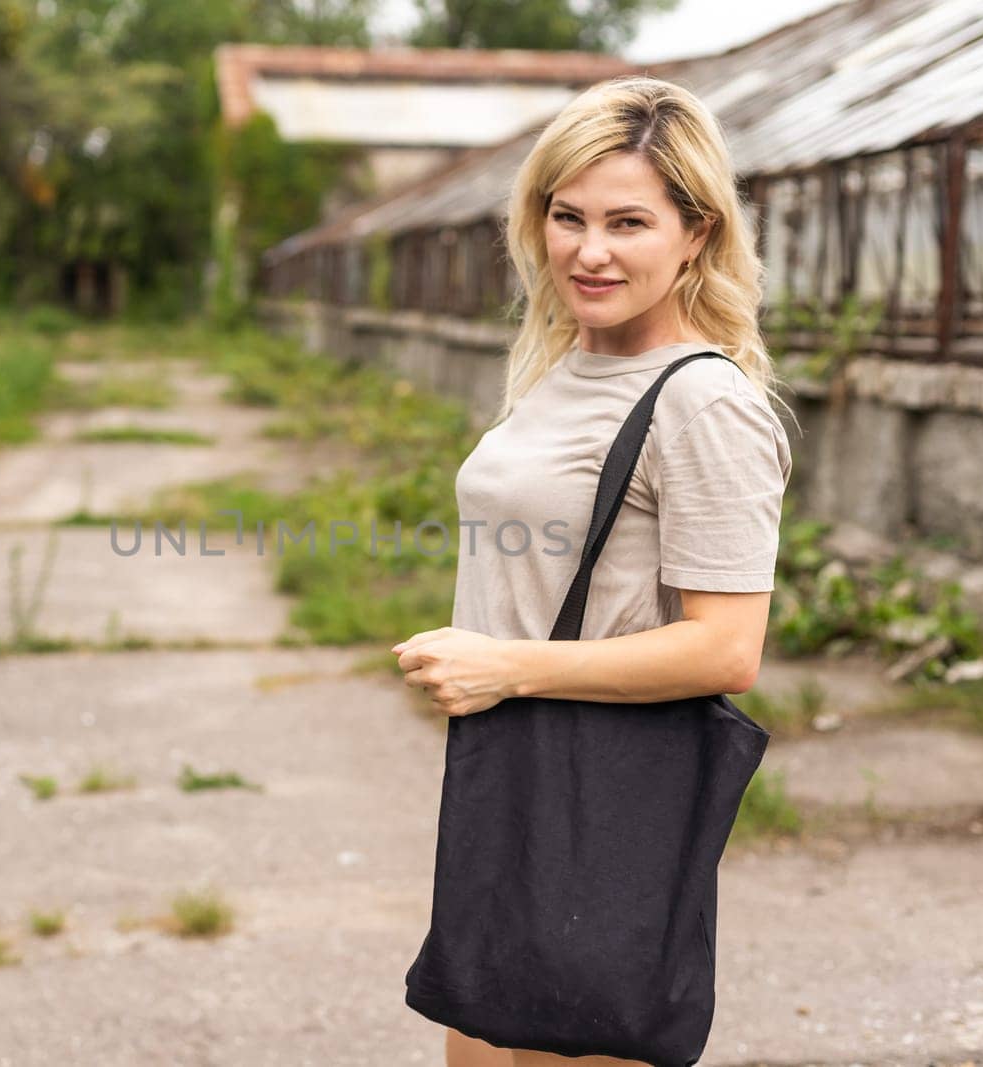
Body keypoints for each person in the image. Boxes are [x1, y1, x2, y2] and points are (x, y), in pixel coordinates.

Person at [391, 75, 796, 1067]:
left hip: (600, 809)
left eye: (627, 221)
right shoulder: (563, 365)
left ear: (694, 232)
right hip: (512, 781)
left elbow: (726, 647)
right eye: (565, 216)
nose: (589, 249)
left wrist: (507, 665)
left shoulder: (702, 404)